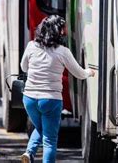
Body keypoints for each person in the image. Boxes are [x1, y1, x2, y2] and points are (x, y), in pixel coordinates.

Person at [20, 15, 95, 163]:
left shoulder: (31, 46)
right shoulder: (62, 51)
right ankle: (32, 154)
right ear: (58, 31)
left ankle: (29, 153)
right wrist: (89, 72)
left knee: (40, 127)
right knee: (49, 140)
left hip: (29, 98)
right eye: (63, 28)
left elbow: (23, 67)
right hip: (50, 100)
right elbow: (78, 73)